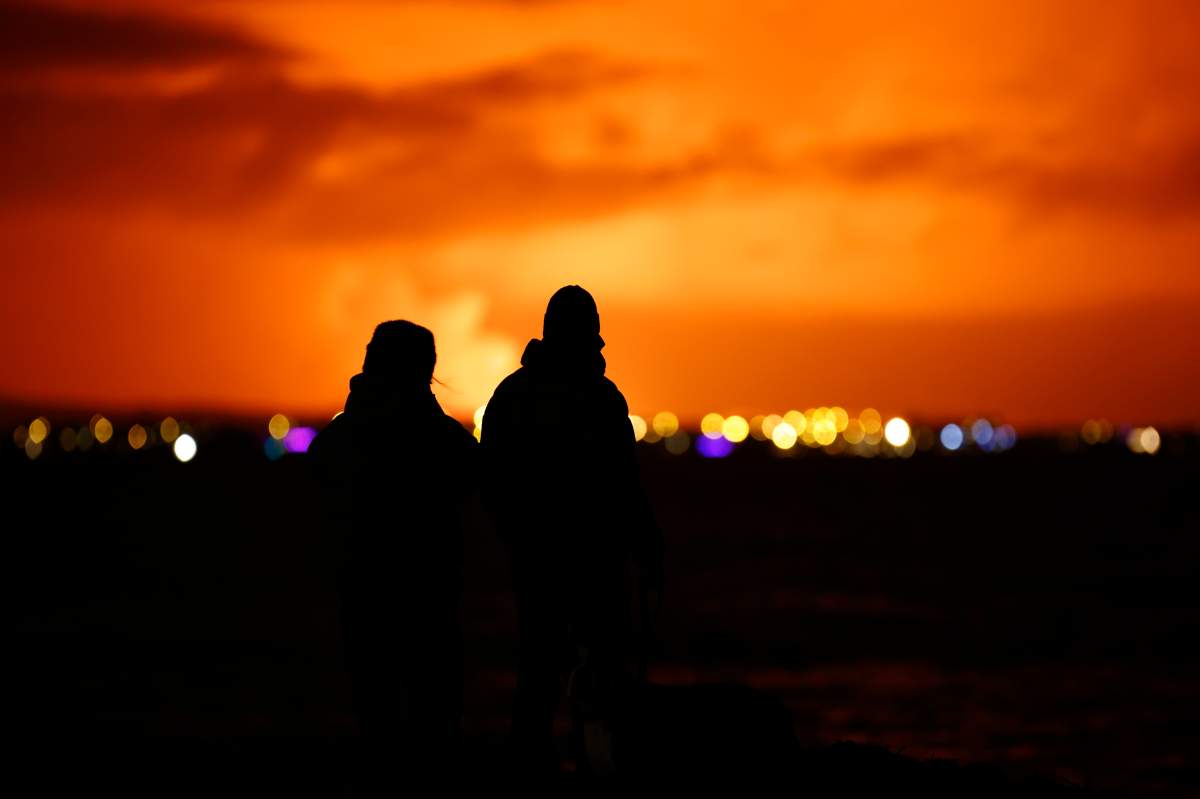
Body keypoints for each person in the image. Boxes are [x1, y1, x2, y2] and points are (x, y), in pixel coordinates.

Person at [480, 285, 662, 776]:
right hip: (590, 559)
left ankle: (532, 765)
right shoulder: (600, 398)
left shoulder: (511, 396)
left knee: (541, 666)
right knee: (597, 669)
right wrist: (646, 548)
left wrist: (516, 539)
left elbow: (491, 483)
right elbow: (625, 484)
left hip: (541, 558)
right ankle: (590, 765)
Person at [309, 320, 478, 784]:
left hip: (364, 592)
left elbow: (318, 483)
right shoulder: (445, 439)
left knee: (375, 717)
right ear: (426, 370)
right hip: (431, 594)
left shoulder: (343, 436)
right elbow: (476, 482)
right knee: (434, 722)